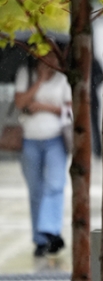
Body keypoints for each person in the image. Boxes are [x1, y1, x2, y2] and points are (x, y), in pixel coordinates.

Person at [14, 51, 71, 258]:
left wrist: (42, 106)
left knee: (55, 184)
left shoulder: (64, 77)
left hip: (55, 138)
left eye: (53, 54)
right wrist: (39, 81)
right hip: (30, 139)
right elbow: (20, 103)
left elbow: (70, 109)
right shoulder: (26, 73)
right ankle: (41, 240)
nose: (50, 59)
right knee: (35, 189)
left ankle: (50, 229)